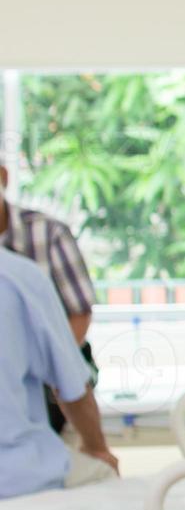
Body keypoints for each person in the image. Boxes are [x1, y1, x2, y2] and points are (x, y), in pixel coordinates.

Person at [0, 248, 118, 499]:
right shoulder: (19, 276)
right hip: (18, 477)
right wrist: (97, 449)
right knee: (104, 473)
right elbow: (73, 387)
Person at [0, 164, 99, 433]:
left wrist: (54, 365)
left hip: (47, 367)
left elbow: (79, 313)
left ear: (3, 177)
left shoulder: (47, 233)